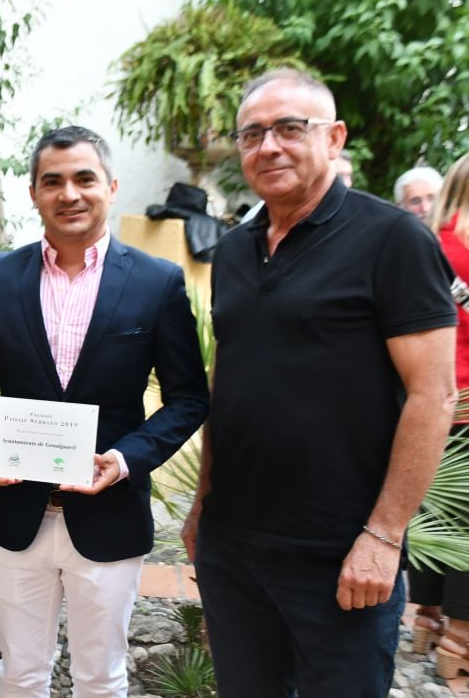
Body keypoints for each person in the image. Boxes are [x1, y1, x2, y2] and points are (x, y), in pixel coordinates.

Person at [182, 68, 457, 696]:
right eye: (252, 134)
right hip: (234, 545)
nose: (269, 146)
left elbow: (433, 394)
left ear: (333, 138)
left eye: (288, 128)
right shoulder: (233, 250)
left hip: (341, 553)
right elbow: (231, 380)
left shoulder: (393, 239)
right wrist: (204, 502)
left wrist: (384, 536)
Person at [0, 125, 210, 697]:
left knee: (101, 676)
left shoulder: (156, 282)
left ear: (111, 186)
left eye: (83, 178)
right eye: (53, 181)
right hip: (17, 513)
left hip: (110, 514)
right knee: (20, 674)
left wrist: (125, 460)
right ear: (33, 193)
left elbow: (189, 398)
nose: (69, 193)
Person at [414, 153, 469, 678]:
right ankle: (460, 641)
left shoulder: (429, 243)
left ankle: (426, 621)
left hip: (431, 399)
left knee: (435, 516)